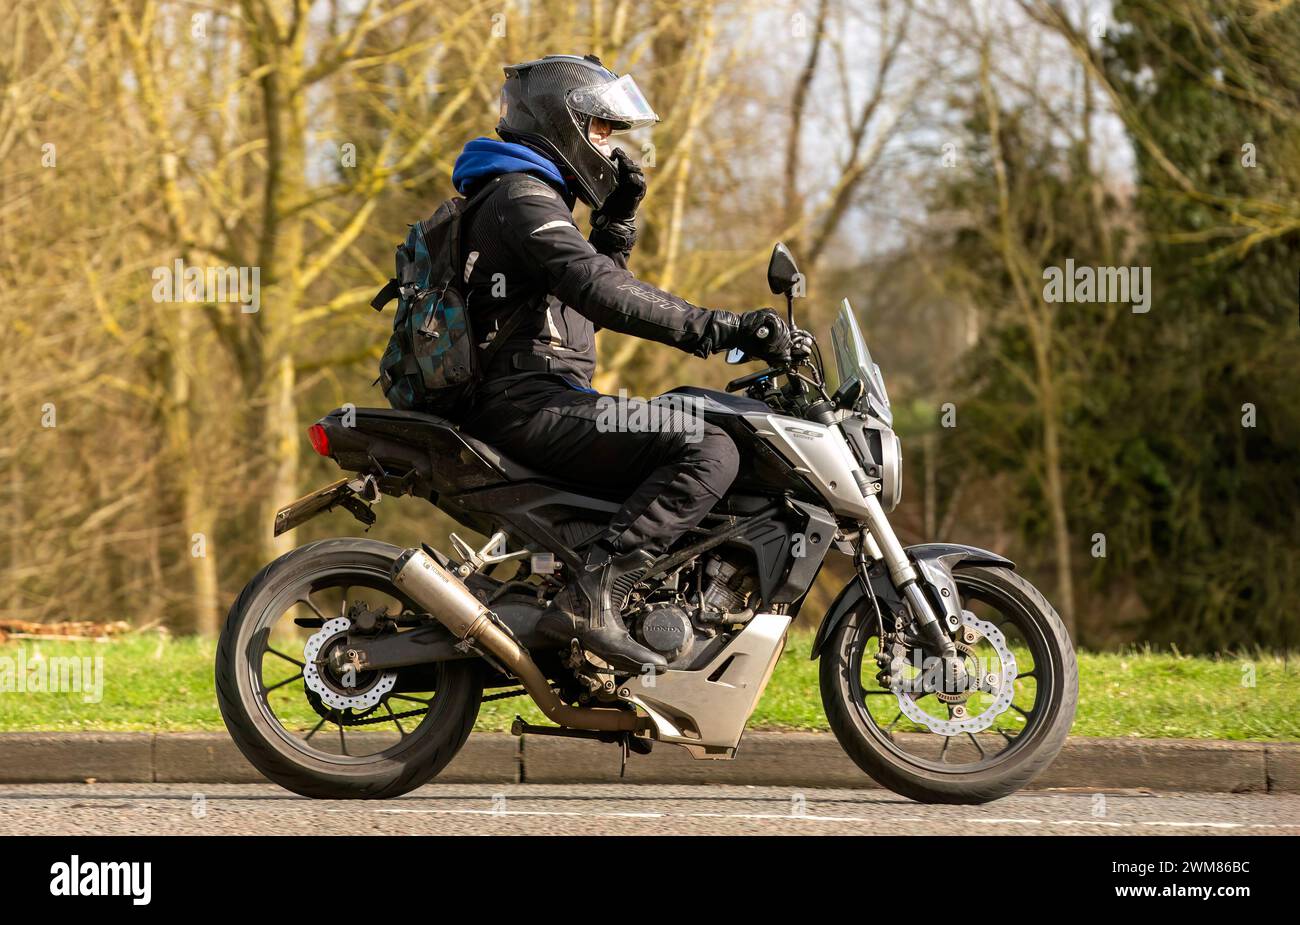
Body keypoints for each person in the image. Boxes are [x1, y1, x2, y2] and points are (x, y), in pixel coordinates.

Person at [452, 54, 790, 673]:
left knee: (681, 415)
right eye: (603, 131)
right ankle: (596, 595)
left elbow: (582, 300)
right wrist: (723, 327)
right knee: (709, 448)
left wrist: (614, 226)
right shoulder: (521, 200)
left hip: (537, 398)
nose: (610, 149)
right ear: (564, 125)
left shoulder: (523, 196)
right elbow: (598, 292)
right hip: (529, 406)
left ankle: (629, 597)